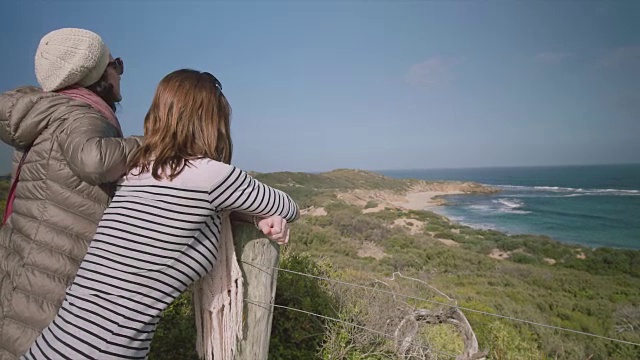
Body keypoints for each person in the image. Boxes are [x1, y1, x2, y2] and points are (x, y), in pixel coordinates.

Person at [21, 68, 300, 359]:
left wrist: (247, 214)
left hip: (50, 346)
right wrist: (256, 215)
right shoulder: (213, 177)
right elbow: (288, 207)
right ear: (212, 121)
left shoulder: (137, 171)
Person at [0, 28, 144, 359]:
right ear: (97, 74)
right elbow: (93, 160)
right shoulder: (81, 115)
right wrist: (153, 143)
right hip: (54, 272)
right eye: (116, 64)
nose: (120, 73)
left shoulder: (50, 113)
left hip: (27, 259)